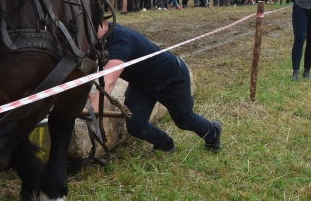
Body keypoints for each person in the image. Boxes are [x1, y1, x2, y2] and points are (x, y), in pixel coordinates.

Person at [93, 20, 221, 153]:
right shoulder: (93, 38)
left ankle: (213, 132)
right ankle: (166, 144)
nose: (89, 34)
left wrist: (95, 108)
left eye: (93, 29)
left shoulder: (120, 42)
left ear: (105, 23)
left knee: (185, 120)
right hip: (142, 84)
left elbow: (108, 81)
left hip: (171, 79)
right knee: (136, 126)